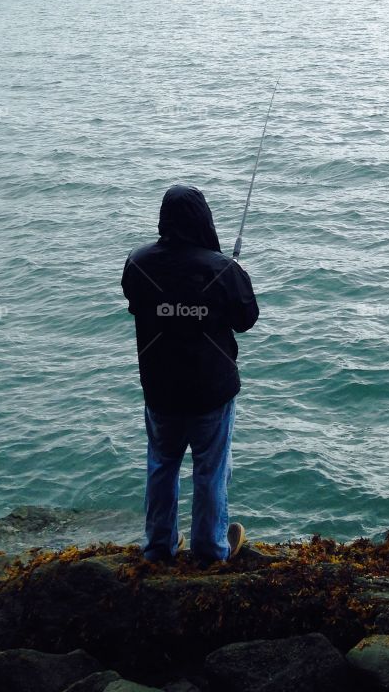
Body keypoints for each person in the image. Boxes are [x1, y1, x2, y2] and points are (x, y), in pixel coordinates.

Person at [122, 183, 259, 564]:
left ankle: (159, 546)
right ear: (204, 219)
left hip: (161, 388)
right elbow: (246, 319)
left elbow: (135, 301)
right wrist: (237, 275)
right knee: (210, 470)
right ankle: (210, 550)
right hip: (210, 391)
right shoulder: (221, 269)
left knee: (162, 465)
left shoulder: (138, 262)